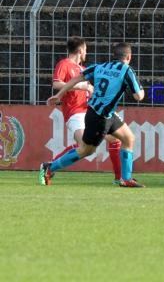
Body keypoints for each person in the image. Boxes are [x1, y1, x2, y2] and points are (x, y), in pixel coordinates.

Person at [41, 42, 145, 188]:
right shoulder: (126, 70)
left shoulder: (99, 67)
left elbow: (76, 79)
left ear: (114, 56)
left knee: (128, 138)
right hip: (99, 117)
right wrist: (142, 91)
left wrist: (59, 95)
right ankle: (49, 167)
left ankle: (126, 179)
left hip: (104, 114)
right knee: (86, 150)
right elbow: (138, 97)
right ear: (128, 56)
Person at [51, 36, 123, 184]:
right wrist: (81, 86)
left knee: (115, 140)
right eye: (85, 50)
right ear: (80, 50)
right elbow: (57, 84)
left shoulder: (83, 69)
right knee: (85, 147)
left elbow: (89, 88)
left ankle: (118, 178)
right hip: (75, 113)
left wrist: (91, 89)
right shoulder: (64, 64)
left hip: (89, 111)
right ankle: (49, 166)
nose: (86, 53)